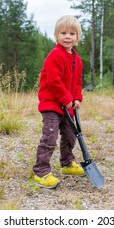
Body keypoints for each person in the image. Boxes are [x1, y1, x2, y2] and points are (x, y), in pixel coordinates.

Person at [32, 15, 85, 189]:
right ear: (56, 36)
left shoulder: (77, 60)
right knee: (50, 137)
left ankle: (67, 163)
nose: (67, 36)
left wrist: (76, 98)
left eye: (72, 33)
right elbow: (54, 82)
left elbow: (77, 82)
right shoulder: (55, 55)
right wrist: (67, 99)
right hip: (52, 105)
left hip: (67, 106)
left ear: (77, 37)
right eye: (63, 33)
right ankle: (41, 171)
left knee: (71, 136)